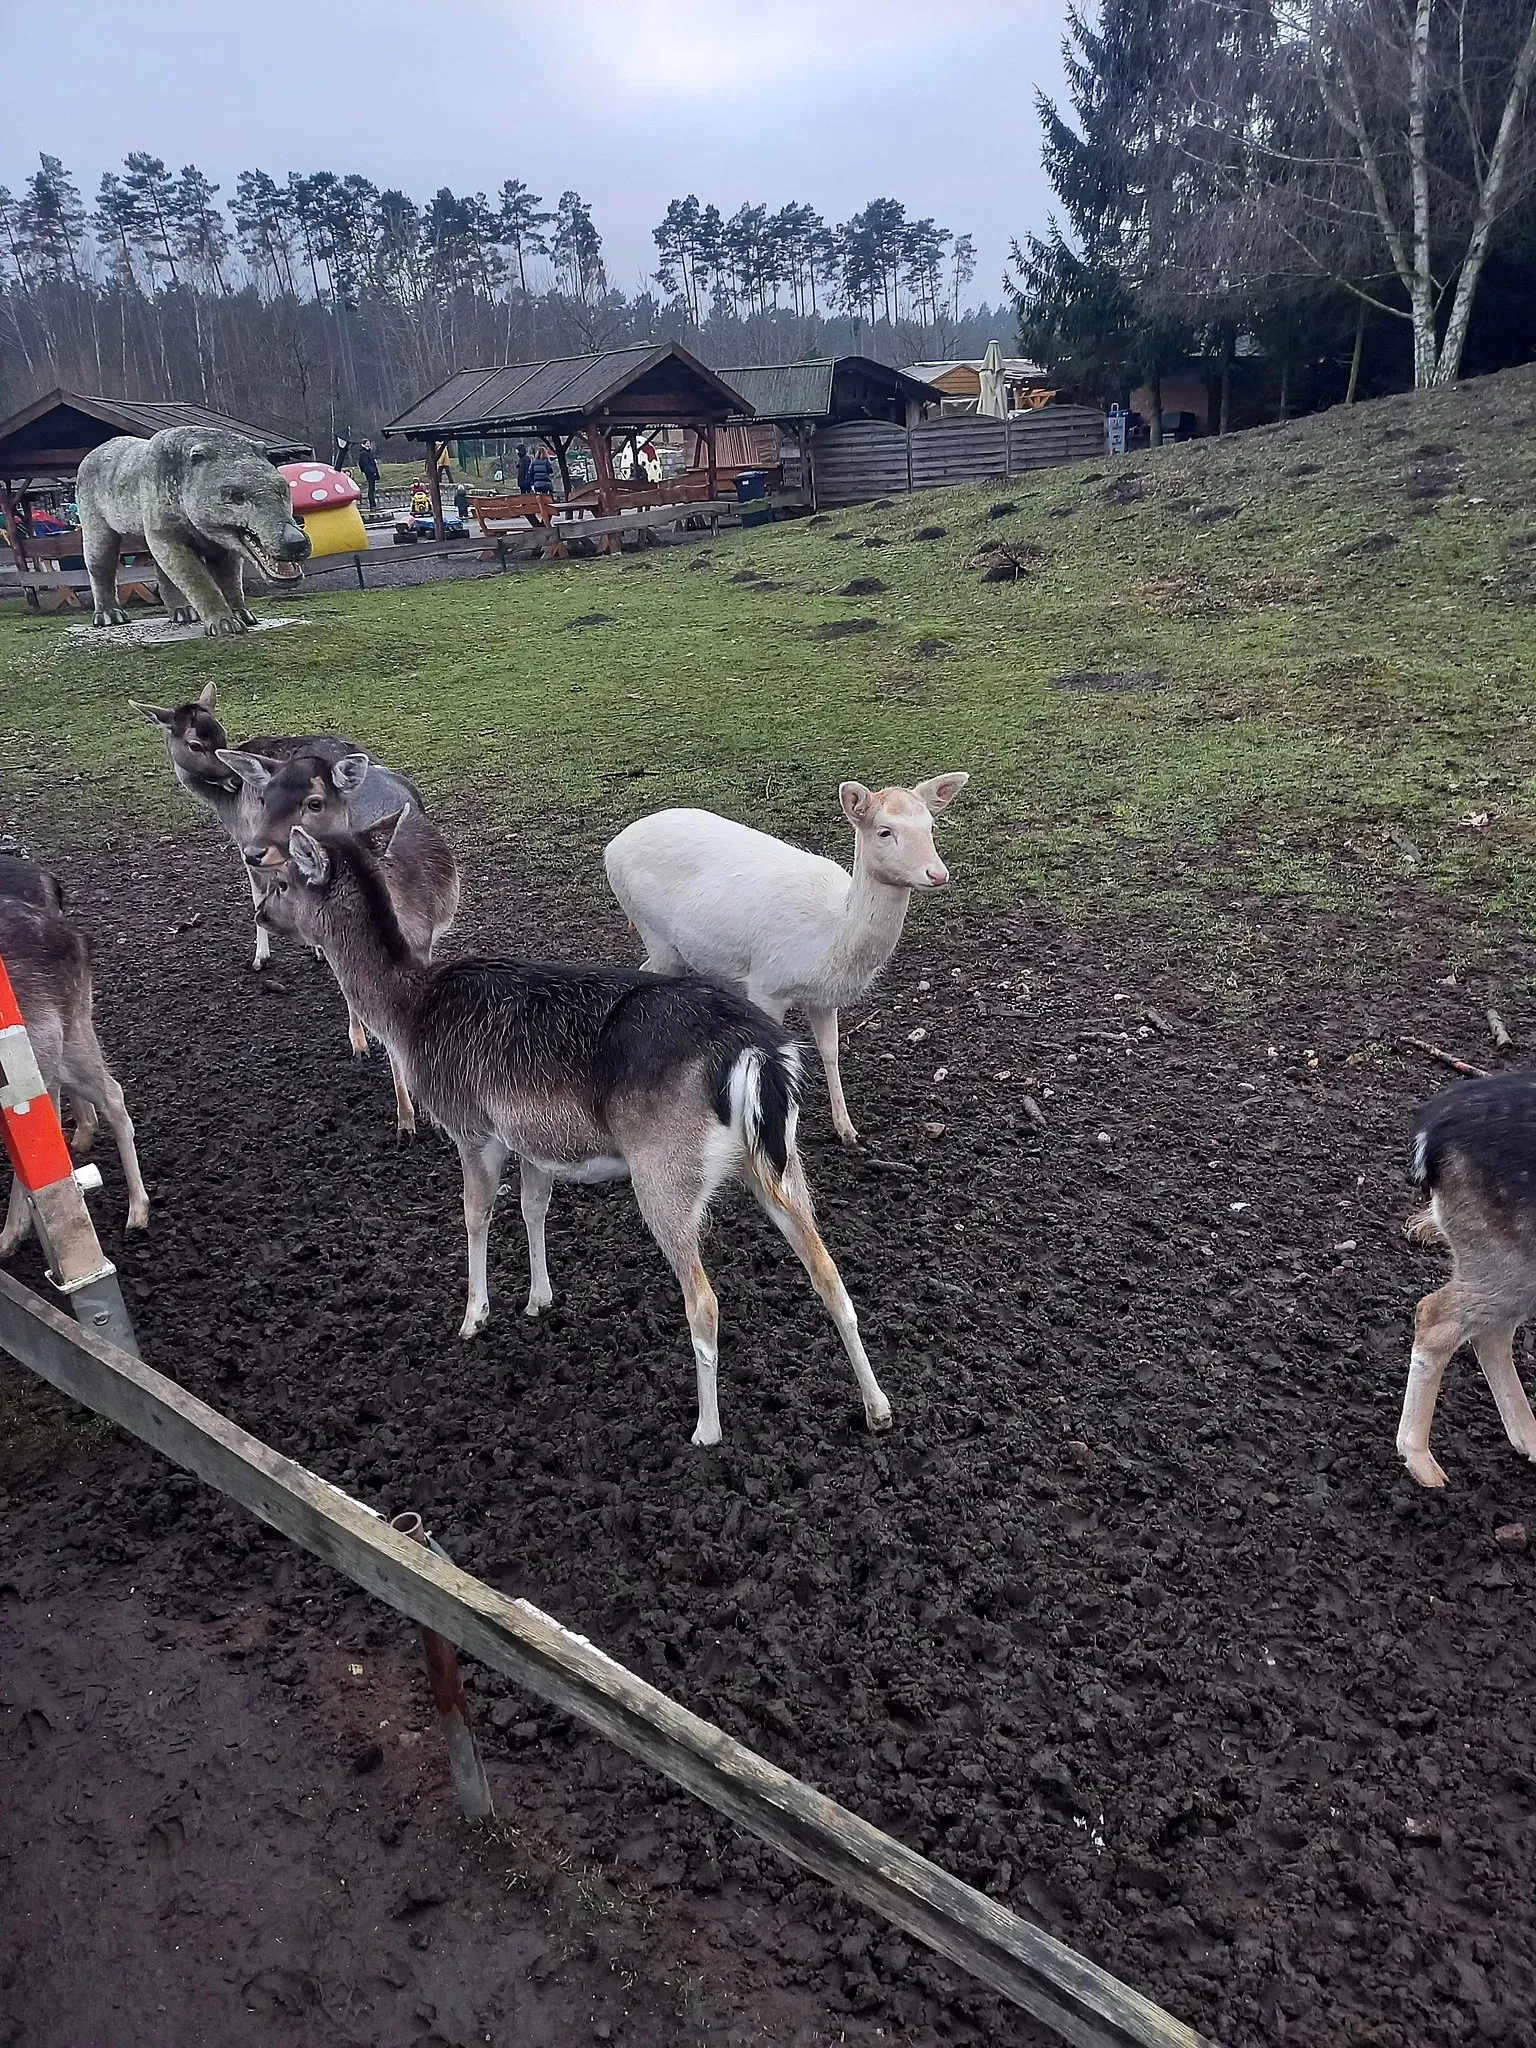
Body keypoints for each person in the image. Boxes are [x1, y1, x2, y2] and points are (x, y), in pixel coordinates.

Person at [358, 439, 381, 513]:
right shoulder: (364, 453)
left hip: (371, 473)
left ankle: (373, 505)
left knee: (372, 489)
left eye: (369, 443)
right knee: (371, 489)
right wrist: (372, 472)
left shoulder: (368, 453)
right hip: (370, 474)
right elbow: (366, 465)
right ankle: (372, 505)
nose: (368, 445)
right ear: (363, 445)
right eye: (367, 443)